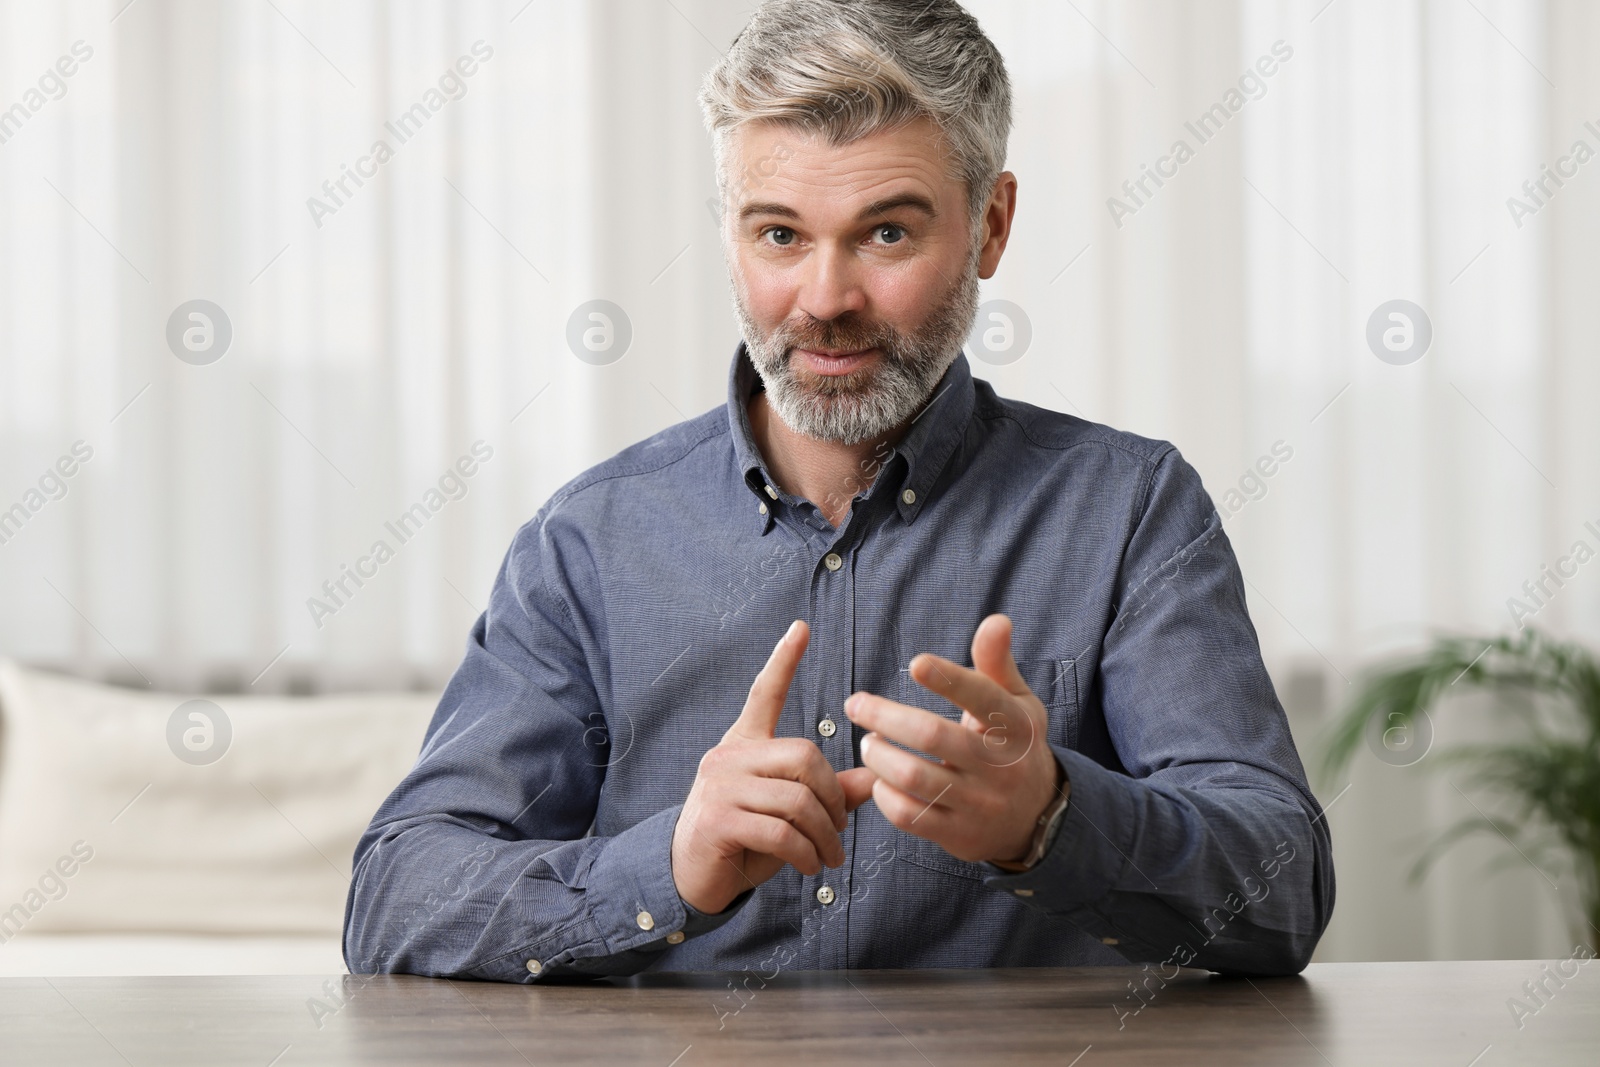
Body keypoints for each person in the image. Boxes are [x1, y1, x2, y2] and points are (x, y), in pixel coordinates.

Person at [344, 0, 1334, 983]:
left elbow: (1283, 892)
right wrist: (668, 865)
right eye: (778, 234)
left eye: (886, 234)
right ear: (728, 235)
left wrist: (1052, 818)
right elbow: (398, 897)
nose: (823, 299)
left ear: (989, 226)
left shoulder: (1128, 512)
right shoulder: (590, 539)